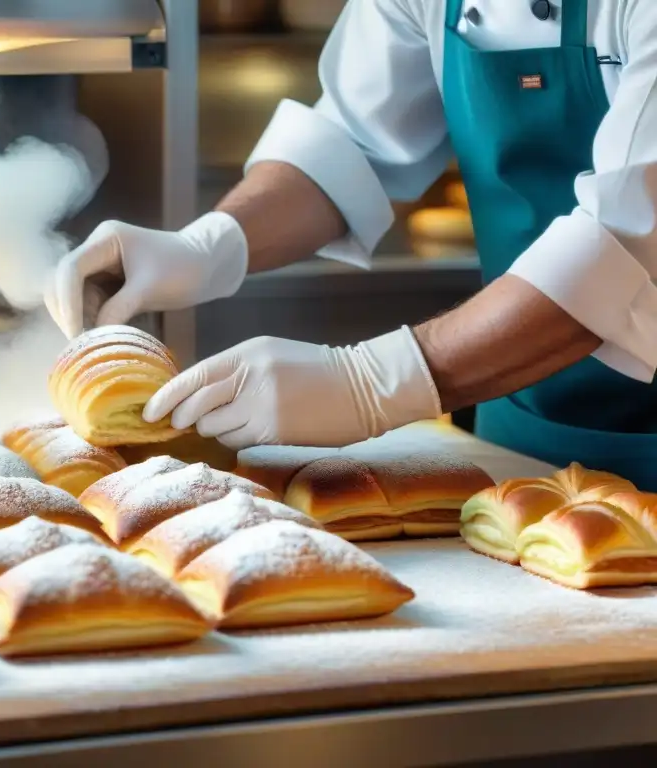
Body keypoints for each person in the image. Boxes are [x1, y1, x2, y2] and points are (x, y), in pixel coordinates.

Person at [44, 0, 657, 489]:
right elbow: (352, 145)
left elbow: (623, 247)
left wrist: (369, 381)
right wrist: (210, 243)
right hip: (523, 441)